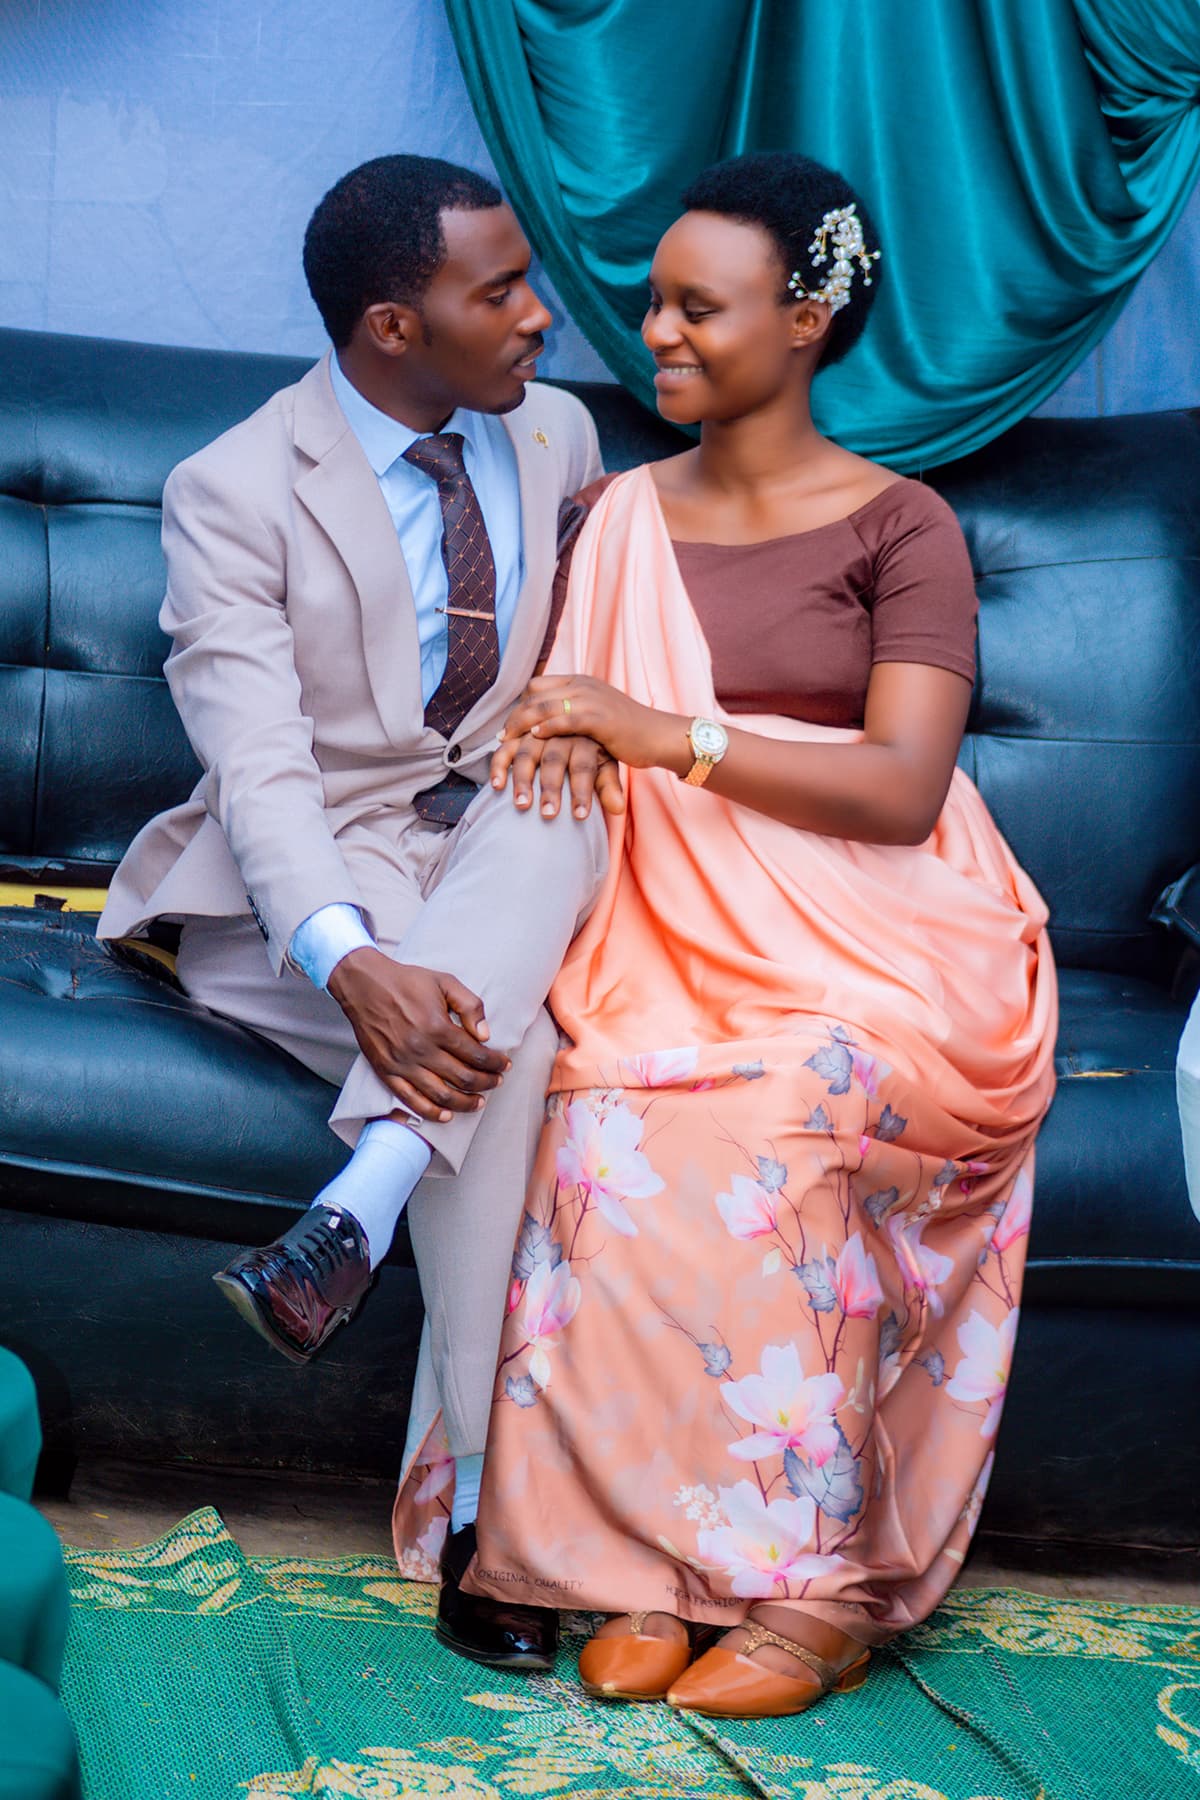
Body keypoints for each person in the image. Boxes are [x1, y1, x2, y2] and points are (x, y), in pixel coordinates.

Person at [392, 151, 1058, 1719]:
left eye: (700, 308)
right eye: (653, 303)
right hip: (656, 922)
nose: (656, 334)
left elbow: (902, 787)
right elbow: (558, 748)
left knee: (782, 1100)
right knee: (603, 1106)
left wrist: (663, 731)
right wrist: (563, 739)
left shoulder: (903, 527)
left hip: (884, 933)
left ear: (807, 319)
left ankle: (811, 1586)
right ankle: (634, 1563)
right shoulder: (611, 517)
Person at [97, 154, 620, 1672]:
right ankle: (493, 1527)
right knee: (509, 1051)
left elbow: (581, 673)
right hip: (326, 855)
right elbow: (259, 770)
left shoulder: (559, 433)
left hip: (512, 839)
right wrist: (354, 964)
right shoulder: (232, 490)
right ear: (396, 324)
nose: (540, 315)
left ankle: (362, 1200)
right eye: (500, 291)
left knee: (558, 799)